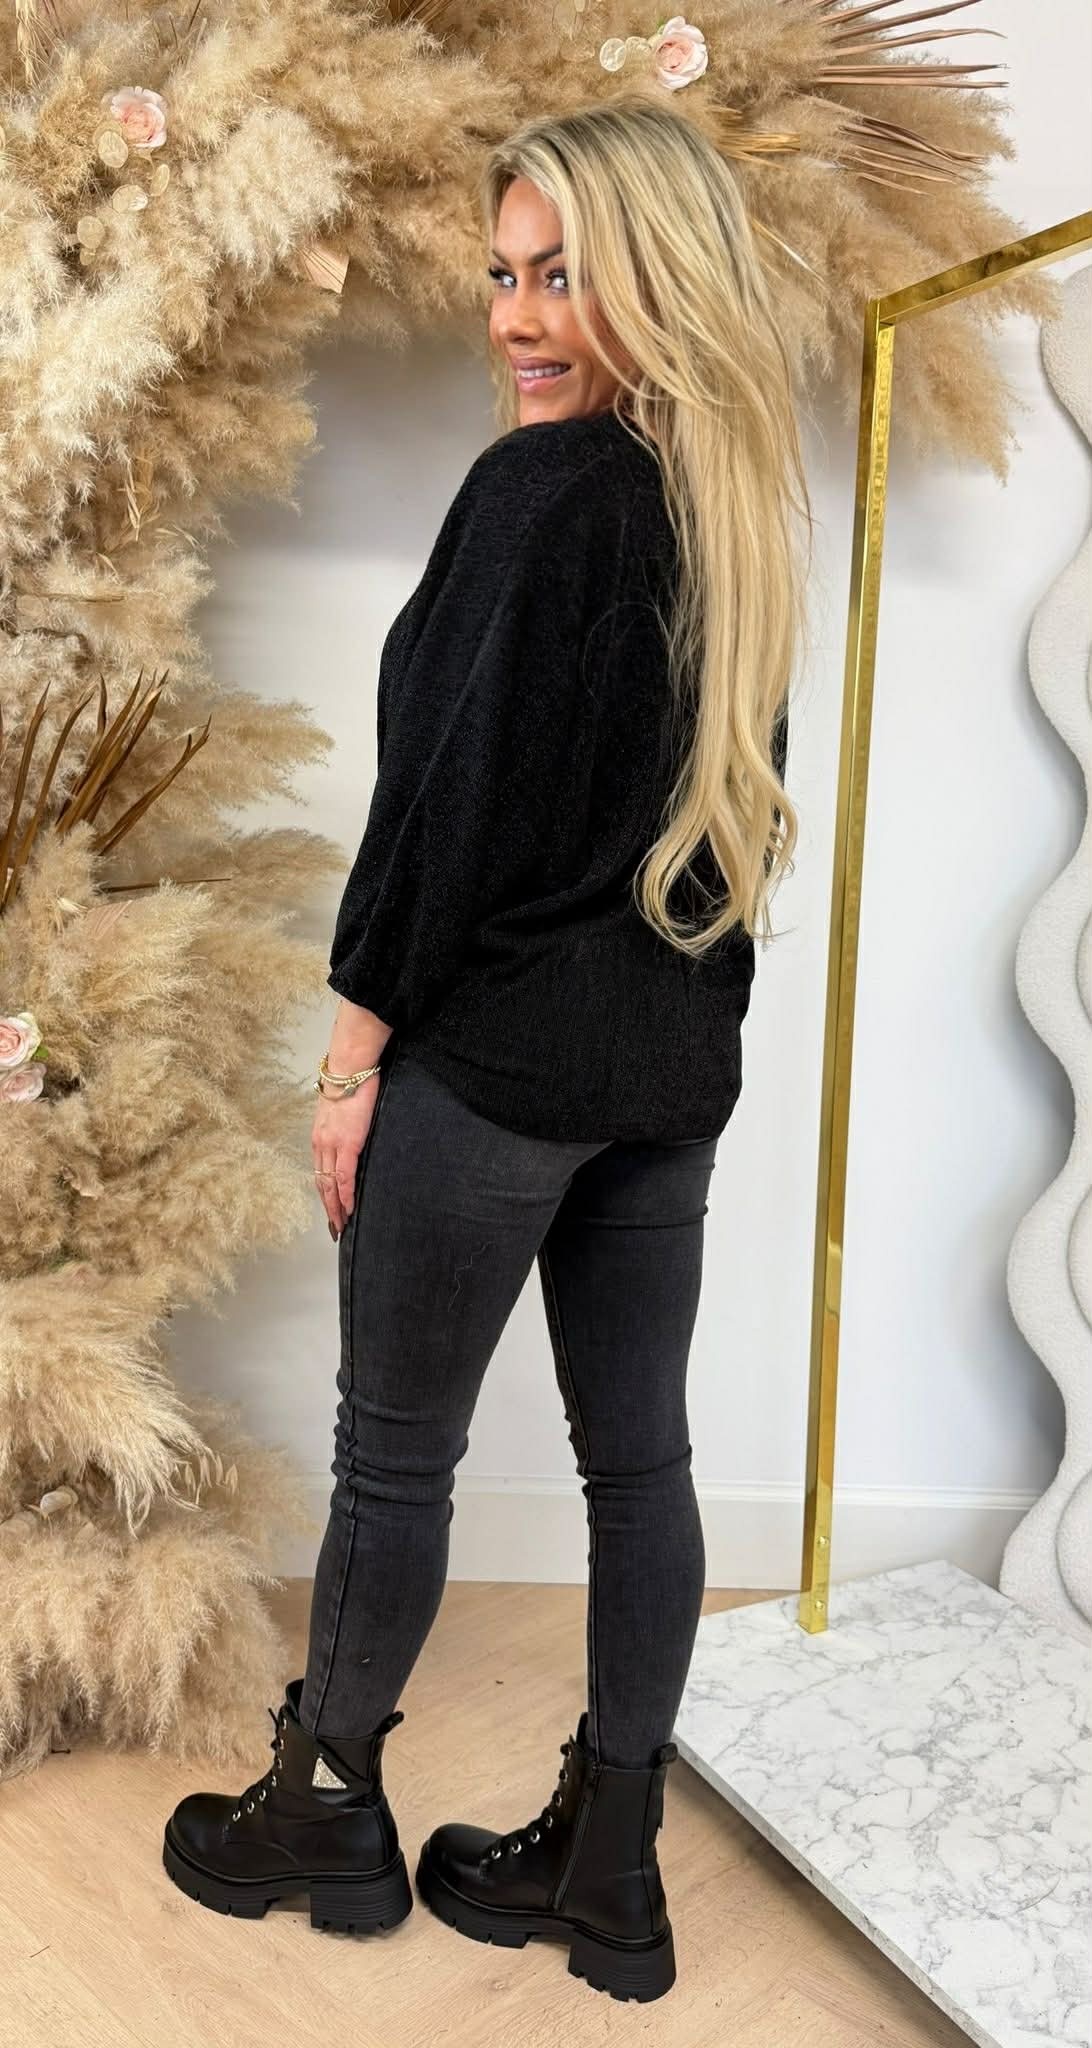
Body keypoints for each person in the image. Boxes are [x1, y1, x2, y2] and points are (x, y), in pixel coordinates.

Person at [163, 91, 810, 2005]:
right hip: (664, 1080)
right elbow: (730, 830)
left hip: (497, 1074)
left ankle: (324, 1814)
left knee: (394, 1461)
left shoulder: (542, 492)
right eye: (507, 277)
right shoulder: (734, 507)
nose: (520, 319)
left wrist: (352, 1056)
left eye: (563, 278)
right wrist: (685, 1044)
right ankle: (610, 1866)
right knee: (642, 1464)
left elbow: (441, 815)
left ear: (656, 278)